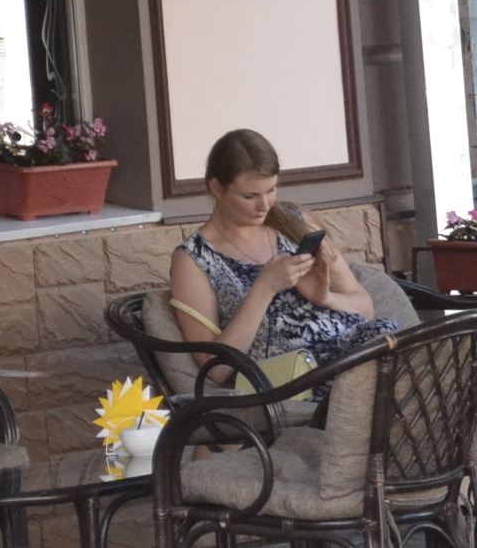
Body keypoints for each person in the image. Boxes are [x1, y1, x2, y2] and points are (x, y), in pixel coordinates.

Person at [168, 129, 400, 385]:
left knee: (392, 338)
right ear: (216, 188)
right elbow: (217, 369)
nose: (265, 205)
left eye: (271, 190)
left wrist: (324, 297)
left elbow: (365, 307)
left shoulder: (295, 221)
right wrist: (265, 289)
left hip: (349, 355)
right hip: (292, 380)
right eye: (250, 196)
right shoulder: (194, 259)